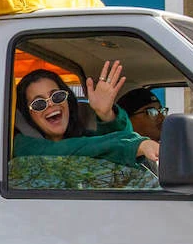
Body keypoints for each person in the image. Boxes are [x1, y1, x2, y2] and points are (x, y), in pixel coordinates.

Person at [13, 60, 159, 167]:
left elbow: (115, 155)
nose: (51, 104)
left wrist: (107, 115)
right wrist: (135, 145)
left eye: (57, 96)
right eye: (39, 103)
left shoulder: (84, 137)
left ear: (68, 100)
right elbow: (69, 150)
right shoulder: (22, 146)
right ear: (27, 114)